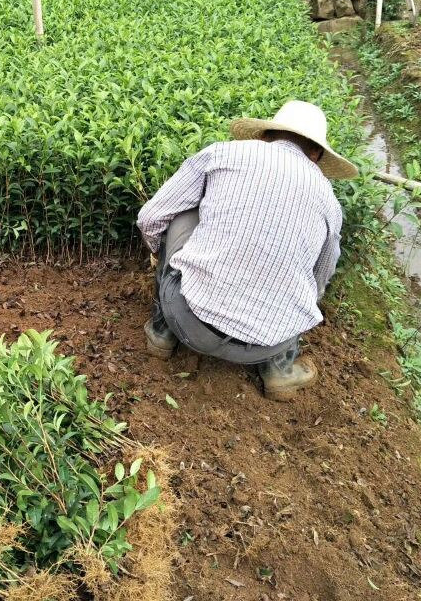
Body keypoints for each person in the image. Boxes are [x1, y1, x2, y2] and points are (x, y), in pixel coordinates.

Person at [136, 100, 359, 401]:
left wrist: (162, 259)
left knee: (180, 215)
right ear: (316, 154)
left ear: (266, 135)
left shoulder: (223, 153)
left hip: (188, 321)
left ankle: (162, 332)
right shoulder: (330, 204)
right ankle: (279, 370)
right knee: (304, 277)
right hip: (270, 343)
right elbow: (320, 281)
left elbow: (150, 218)